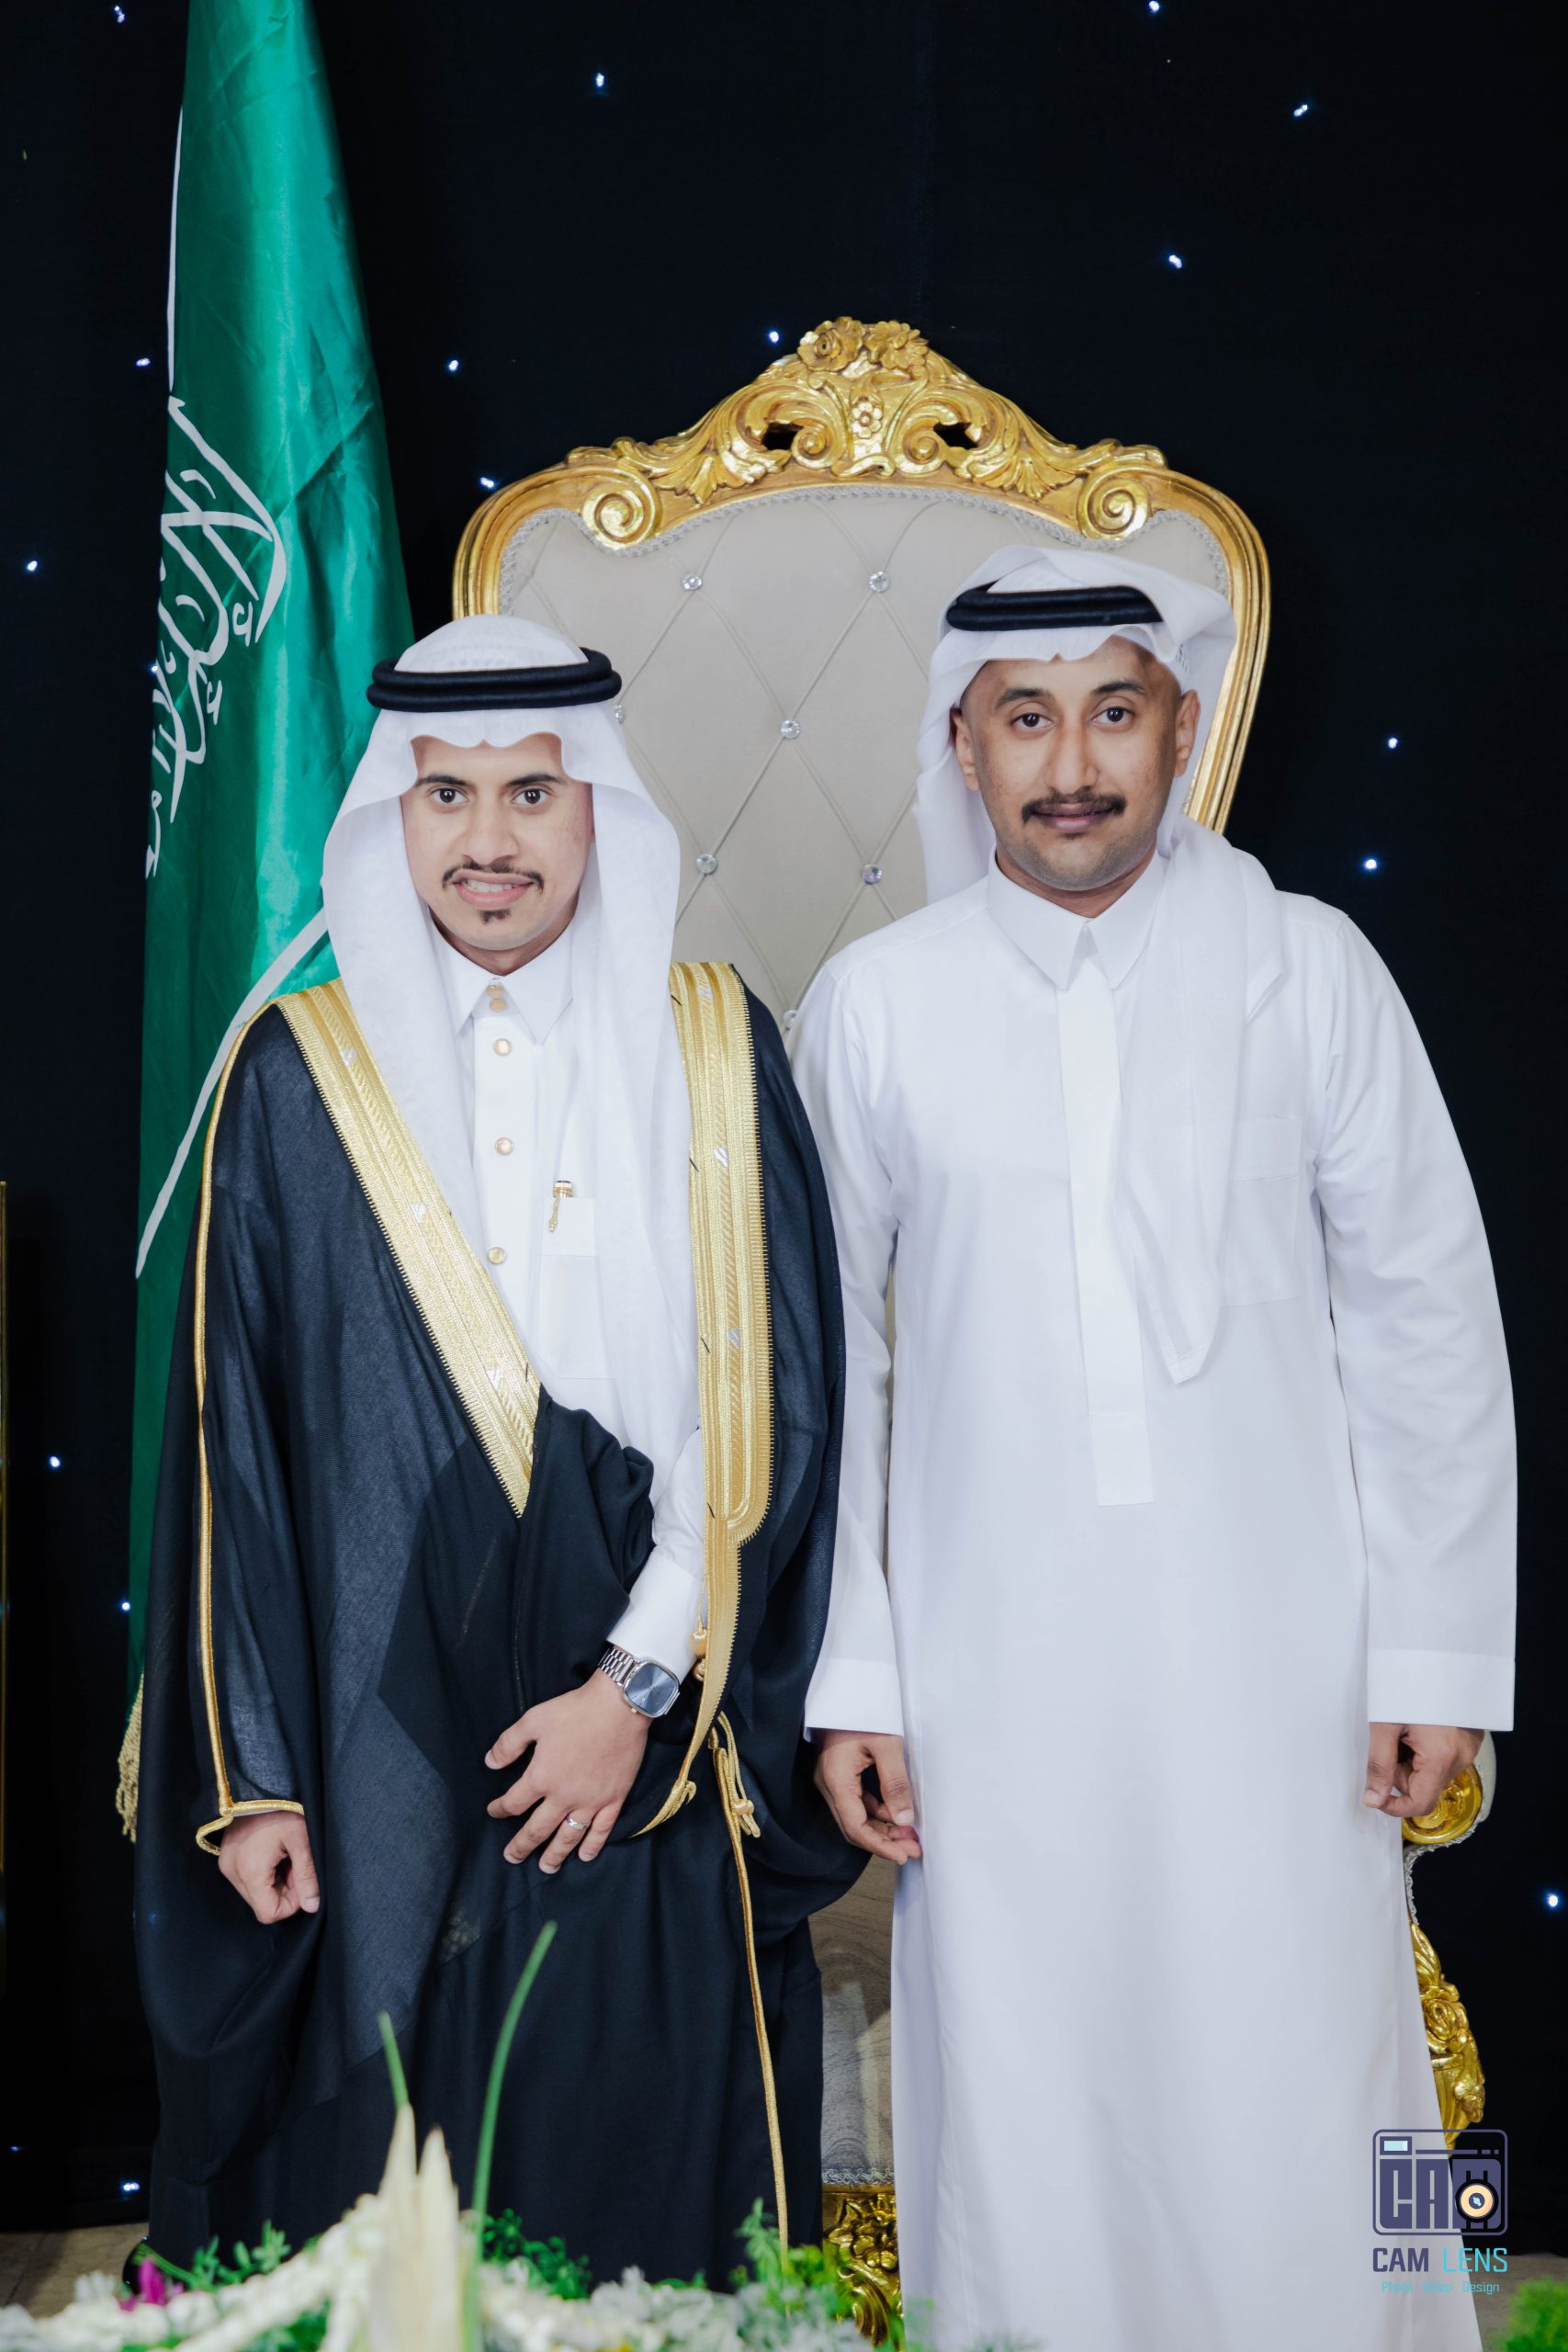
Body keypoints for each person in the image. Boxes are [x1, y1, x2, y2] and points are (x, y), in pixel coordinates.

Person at [793, 544, 1515, 2352]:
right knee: (1024, 2082)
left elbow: (1425, 1315)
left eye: (1112, 713)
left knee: (1314, 2058)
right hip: (983, 1666)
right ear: (961, 744)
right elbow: (830, 1375)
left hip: (1285, 1659)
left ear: (1180, 727)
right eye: (1025, 719)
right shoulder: (876, 1004)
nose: (1071, 766)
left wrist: (1433, 1654)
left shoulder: (1308, 967)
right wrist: (857, 1677)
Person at [132, 616, 861, 2278]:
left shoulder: (712, 1045)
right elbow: (235, 1458)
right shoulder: (297, 1075)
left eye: (533, 792)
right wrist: (257, 1778)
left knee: (642, 2188)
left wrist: (634, 1687)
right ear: (390, 818)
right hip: (371, 1721)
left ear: (599, 804)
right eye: (444, 795)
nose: (488, 840)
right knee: (394, 2196)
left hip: (652, 1725)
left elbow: (774, 1405)